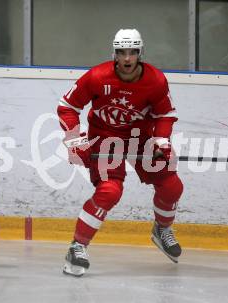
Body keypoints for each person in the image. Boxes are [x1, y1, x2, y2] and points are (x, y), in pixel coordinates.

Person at [57, 29, 184, 276]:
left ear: (140, 53)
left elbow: (165, 114)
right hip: (105, 138)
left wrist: (161, 142)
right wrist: (75, 140)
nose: (127, 59)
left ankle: (162, 229)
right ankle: (77, 246)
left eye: (133, 52)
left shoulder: (156, 80)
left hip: (141, 138)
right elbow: (67, 107)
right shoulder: (96, 76)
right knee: (109, 191)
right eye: (121, 52)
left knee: (172, 187)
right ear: (114, 53)